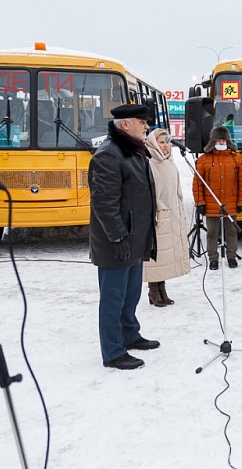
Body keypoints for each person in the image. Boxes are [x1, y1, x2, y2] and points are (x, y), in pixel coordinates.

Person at [88, 104, 159, 370]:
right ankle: (113, 351)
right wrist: (118, 239)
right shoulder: (109, 154)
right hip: (116, 242)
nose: (146, 126)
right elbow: (104, 204)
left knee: (131, 294)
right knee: (113, 299)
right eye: (142, 122)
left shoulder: (134, 152)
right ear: (125, 124)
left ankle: (129, 334)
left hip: (135, 240)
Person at [143, 129, 190, 307]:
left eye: (167, 142)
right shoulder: (149, 163)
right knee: (157, 256)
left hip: (171, 215)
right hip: (157, 216)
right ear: (153, 143)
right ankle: (153, 290)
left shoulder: (170, 163)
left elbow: (177, 190)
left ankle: (162, 288)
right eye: (161, 142)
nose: (165, 146)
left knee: (166, 257)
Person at [193, 126, 242, 271]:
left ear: (228, 141)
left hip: (230, 202)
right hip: (211, 203)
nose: (221, 142)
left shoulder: (235, 159)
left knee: (231, 232)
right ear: (213, 141)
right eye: (219, 140)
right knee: (212, 232)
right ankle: (213, 258)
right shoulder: (203, 160)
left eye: (224, 140)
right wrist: (200, 202)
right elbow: (198, 183)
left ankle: (231, 257)